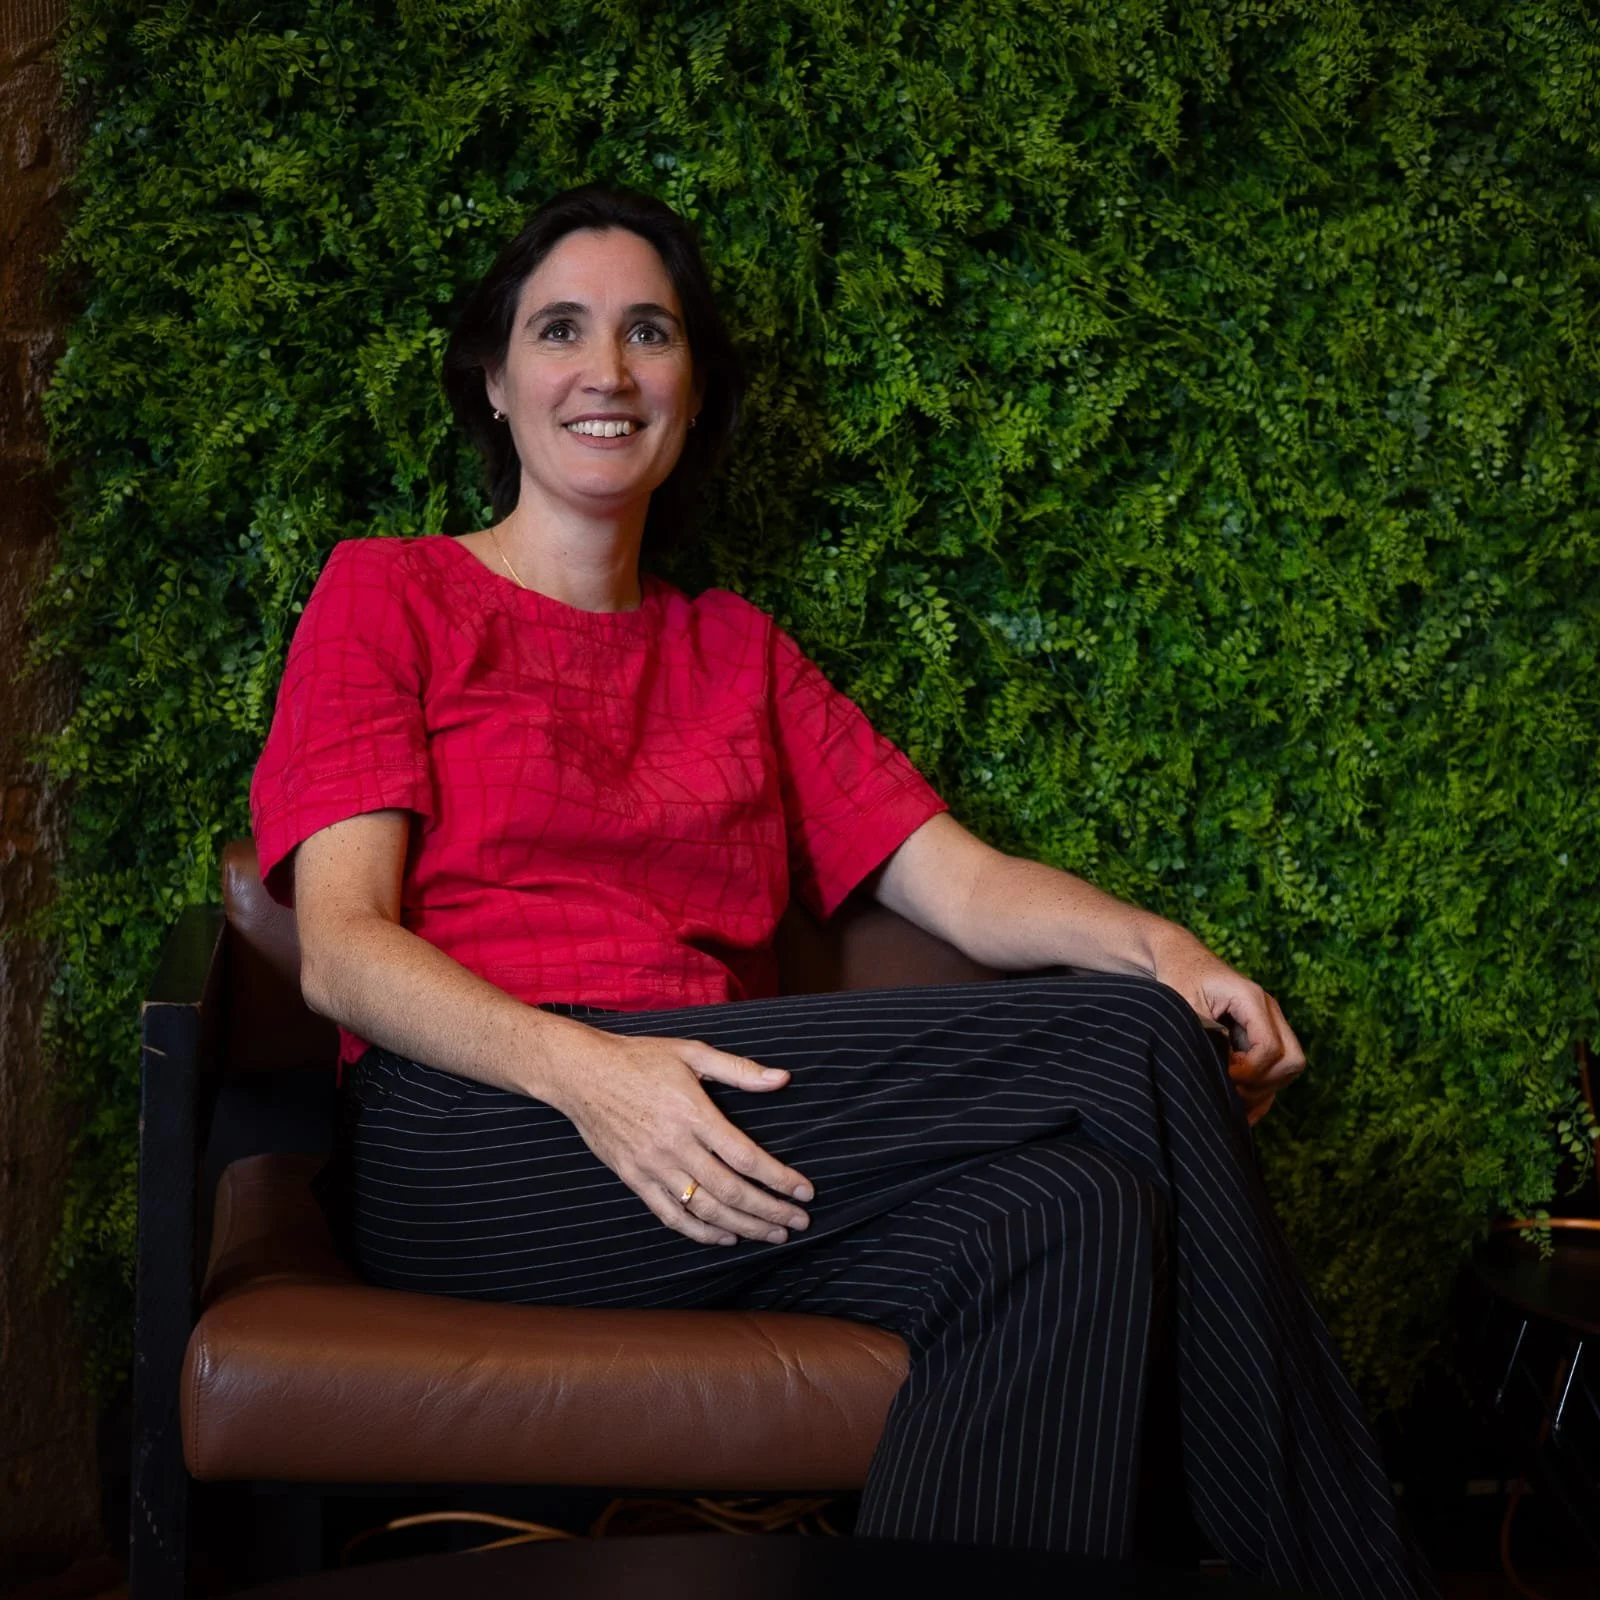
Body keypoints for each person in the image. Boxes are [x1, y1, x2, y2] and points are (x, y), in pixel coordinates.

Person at [250, 185, 1433, 1599]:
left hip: (719, 1137)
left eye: (649, 334)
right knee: (1127, 1037)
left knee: (1075, 1215)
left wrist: (1169, 948)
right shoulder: (388, 594)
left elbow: (966, 883)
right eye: (559, 330)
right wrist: (588, 1072)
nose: (607, 370)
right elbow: (343, 951)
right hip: (482, 1132)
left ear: (693, 393)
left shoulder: (736, 652)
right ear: (496, 383)